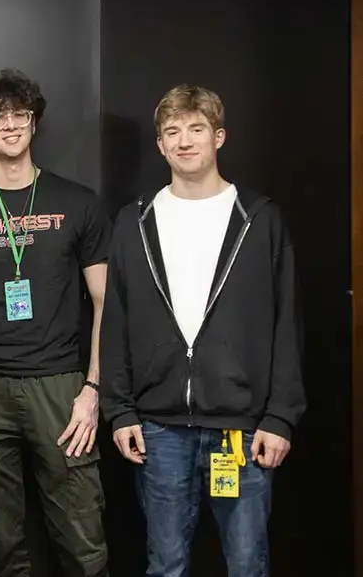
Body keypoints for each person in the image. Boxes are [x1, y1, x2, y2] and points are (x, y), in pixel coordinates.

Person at [100, 85, 304, 577]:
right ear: (160, 145)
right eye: (172, 131)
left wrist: (280, 417)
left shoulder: (258, 218)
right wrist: (120, 410)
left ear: (219, 136)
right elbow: (117, 319)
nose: (184, 141)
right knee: (166, 563)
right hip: (159, 428)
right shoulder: (136, 220)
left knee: (247, 564)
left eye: (196, 129)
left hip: (242, 426)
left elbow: (287, 322)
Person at [0, 68, 109, 576]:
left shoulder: (78, 203)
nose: (10, 125)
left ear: (34, 124)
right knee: (0, 542)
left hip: (60, 386)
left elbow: (105, 303)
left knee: (84, 540)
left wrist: (94, 387)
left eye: (20, 115)